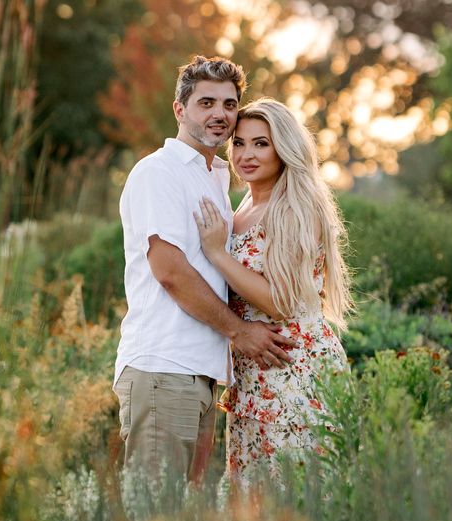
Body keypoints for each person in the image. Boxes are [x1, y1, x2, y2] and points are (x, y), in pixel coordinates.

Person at [114, 58, 296, 491]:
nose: (220, 114)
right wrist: (240, 332)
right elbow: (170, 271)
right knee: (153, 516)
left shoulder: (215, 179)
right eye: (206, 102)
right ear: (180, 110)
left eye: (230, 104)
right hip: (163, 367)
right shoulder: (160, 172)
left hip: (200, 373)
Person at [193, 98, 351, 488]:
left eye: (261, 144)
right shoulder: (244, 205)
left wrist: (216, 252)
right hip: (254, 376)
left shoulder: (297, 206)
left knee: (300, 499)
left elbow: (282, 301)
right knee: (254, 505)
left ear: (284, 148)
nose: (246, 155)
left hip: (295, 371)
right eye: (240, 143)